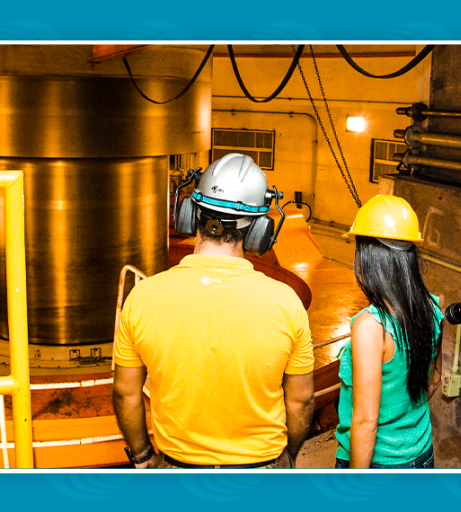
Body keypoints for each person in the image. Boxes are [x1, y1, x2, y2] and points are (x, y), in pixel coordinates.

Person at [112, 153, 315, 469]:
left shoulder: (142, 298)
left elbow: (126, 395)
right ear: (261, 228)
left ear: (187, 212)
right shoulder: (286, 303)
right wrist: (285, 457)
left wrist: (142, 456)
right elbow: (301, 403)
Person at [333, 195, 443, 469]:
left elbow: (365, 422)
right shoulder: (429, 306)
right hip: (421, 453)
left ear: (368, 259)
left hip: (383, 463)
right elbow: (426, 382)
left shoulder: (371, 326)